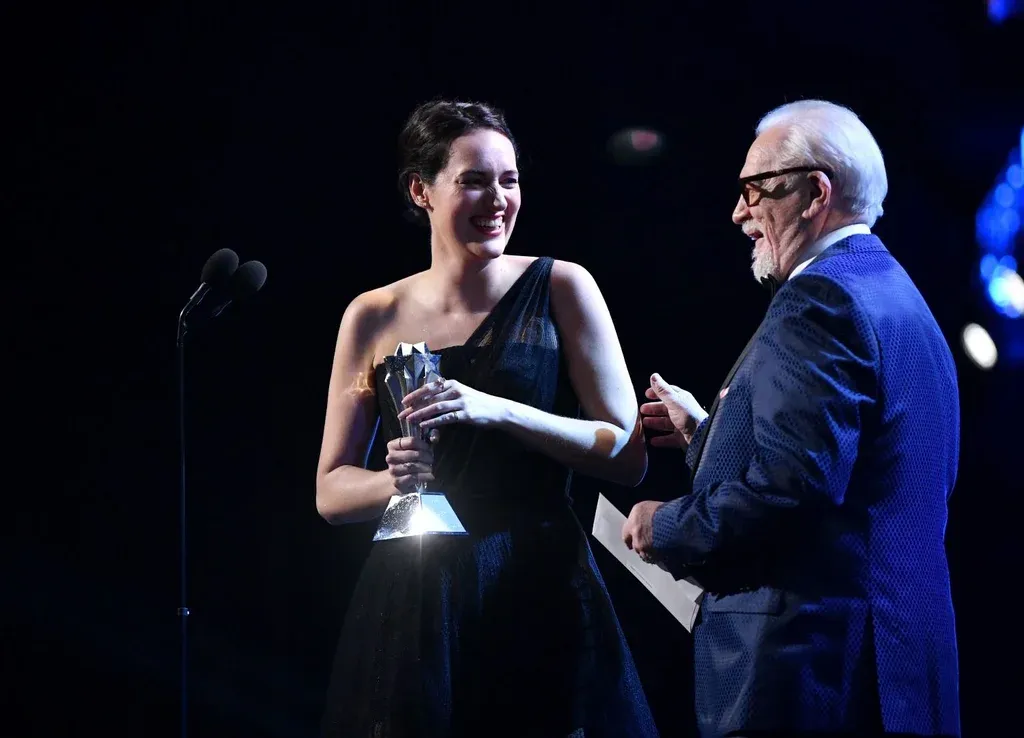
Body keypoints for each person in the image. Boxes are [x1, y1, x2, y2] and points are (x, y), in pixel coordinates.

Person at [315, 98, 659, 738]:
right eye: (474, 180)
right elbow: (331, 492)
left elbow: (627, 455)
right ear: (421, 190)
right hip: (419, 592)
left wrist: (498, 410)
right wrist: (396, 480)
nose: (498, 199)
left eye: (509, 179)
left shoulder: (562, 286)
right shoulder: (372, 314)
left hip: (538, 578)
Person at [622, 100, 960, 738]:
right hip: (896, 665)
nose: (739, 212)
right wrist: (708, 434)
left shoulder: (818, 300)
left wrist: (664, 525)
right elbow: (859, 472)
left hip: (810, 675)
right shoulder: (896, 294)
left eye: (754, 189)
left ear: (816, 194)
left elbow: (791, 489)